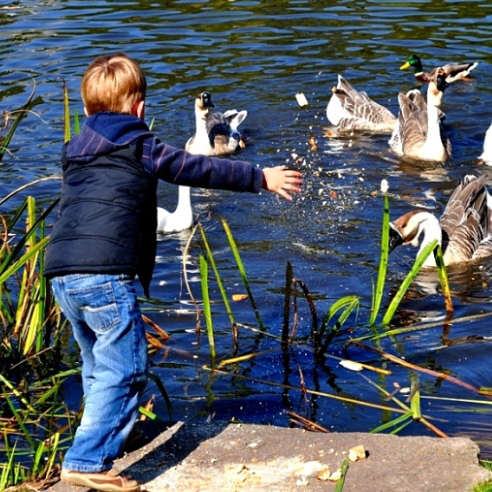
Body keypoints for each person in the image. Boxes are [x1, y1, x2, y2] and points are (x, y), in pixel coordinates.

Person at [44, 53, 303, 492]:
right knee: (126, 367)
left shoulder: (75, 150)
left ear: (87, 112)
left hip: (61, 273)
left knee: (96, 363)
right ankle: (86, 460)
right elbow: (200, 168)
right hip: (105, 275)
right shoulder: (140, 145)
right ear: (140, 110)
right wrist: (260, 177)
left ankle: (106, 439)